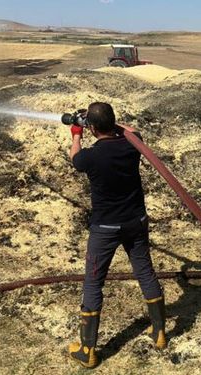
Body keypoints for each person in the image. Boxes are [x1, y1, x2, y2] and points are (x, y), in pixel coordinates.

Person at [67, 102, 166, 369]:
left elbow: (75, 158)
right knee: (145, 271)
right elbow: (132, 131)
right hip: (136, 221)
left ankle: (87, 350)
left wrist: (77, 132)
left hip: (105, 229)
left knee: (93, 283)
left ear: (93, 128)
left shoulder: (90, 156)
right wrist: (106, 123)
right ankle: (159, 333)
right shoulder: (132, 144)